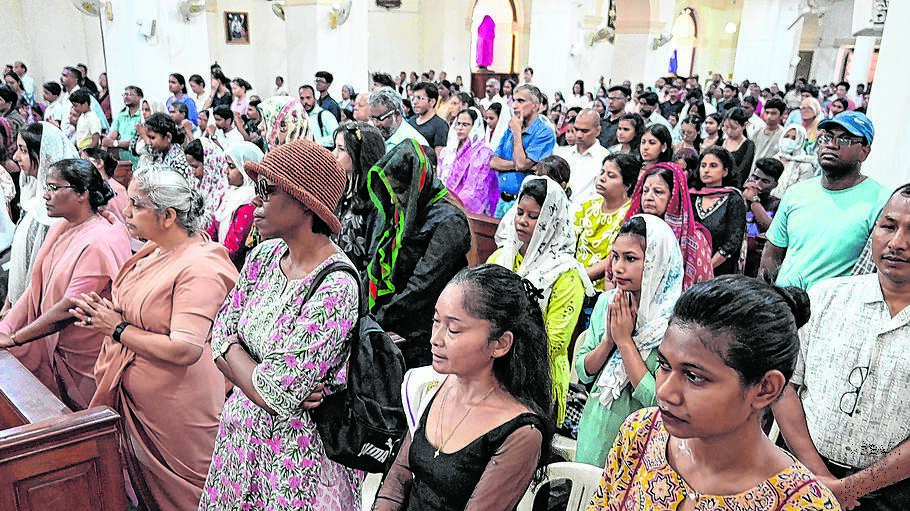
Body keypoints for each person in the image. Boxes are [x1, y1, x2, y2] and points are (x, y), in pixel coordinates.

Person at [198, 140, 361, 510]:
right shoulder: (265, 255)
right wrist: (245, 363)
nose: (256, 201)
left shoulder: (335, 285)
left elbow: (275, 395)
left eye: (267, 191)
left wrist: (234, 354)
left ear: (306, 202)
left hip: (290, 460)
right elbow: (220, 329)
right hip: (241, 442)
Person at [586, 275, 840, 510]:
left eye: (694, 376)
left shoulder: (804, 504)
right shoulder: (640, 434)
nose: (664, 392)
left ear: (765, 389)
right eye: (664, 365)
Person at [66, 164, 236, 511]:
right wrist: (105, 314)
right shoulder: (154, 250)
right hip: (141, 401)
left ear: (168, 216)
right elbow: (138, 310)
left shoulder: (199, 265)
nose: (125, 212)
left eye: (137, 206)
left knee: (189, 500)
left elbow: (185, 348)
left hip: (177, 410)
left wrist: (116, 328)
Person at [772, 185, 910, 510]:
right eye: (888, 226)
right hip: (802, 473)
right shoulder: (826, 297)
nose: (897, 243)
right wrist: (823, 479)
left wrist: (852, 487)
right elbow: (784, 386)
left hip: (892, 496)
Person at [374, 264, 554, 511]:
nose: (435, 339)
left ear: (500, 344)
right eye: (436, 321)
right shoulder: (430, 385)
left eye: (453, 329)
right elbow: (399, 475)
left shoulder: (522, 433)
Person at [0, 158, 129, 409]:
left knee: (80, 426)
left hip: (84, 356)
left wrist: (16, 338)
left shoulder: (98, 240)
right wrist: (6, 327)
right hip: (56, 342)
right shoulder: (64, 226)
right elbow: (36, 285)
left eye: (54, 188)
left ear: (82, 193)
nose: (46, 196)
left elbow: (70, 307)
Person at [575, 214, 684, 468]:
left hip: (639, 445)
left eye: (631, 258)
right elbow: (583, 371)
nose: (617, 268)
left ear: (657, 263)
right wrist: (609, 342)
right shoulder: (609, 303)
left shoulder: (673, 326)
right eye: (615, 257)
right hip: (594, 424)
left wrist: (625, 343)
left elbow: (658, 400)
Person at [489, 176, 593, 426]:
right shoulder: (500, 258)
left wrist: (500, 344)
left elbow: (555, 340)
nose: (522, 221)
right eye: (520, 212)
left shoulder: (566, 274)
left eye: (533, 216)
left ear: (550, 221)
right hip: (491, 369)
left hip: (536, 379)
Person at [367, 140, 471, 369]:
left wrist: (377, 319)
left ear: (418, 186)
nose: (394, 199)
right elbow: (375, 262)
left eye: (401, 191)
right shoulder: (402, 215)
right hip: (395, 319)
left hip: (427, 330)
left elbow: (422, 285)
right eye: (391, 191)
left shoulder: (449, 222)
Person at [761, 112, 887, 289]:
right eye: (827, 137)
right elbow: (773, 252)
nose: (831, 145)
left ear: (864, 152)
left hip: (831, 310)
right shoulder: (796, 193)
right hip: (784, 304)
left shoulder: (881, 201)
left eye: (844, 140)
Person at [7, 122, 79, 309]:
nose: (16, 157)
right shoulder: (32, 197)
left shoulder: (53, 212)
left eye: (23, 150)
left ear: (44, 154)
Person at [622, 163, 714, 290]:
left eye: (658, 192)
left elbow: (700, 289)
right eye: (645, 191)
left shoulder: (693, 239)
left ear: (674, 197)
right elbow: (612, 271)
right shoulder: (632, 229)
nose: (648, 197)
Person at [574, 153, 639, 291]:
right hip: (574, 275)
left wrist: (581, 277)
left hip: (606, 285)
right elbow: (570, 241)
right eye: (602, 172)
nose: (602, 178)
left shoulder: (632, 214)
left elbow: (615, 257)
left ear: (627, 185)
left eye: (611, 176)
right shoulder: (588, 205)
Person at [489, 84, 556, 218]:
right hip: (502, 201)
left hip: (525, 207)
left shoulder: (544, 133)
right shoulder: (511, 128)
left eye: (521, 101)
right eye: (514, 100)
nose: (514, 106)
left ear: (535, 106)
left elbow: (521, 164)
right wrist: (521, 166)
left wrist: (517, 133)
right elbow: (493, 162)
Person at [331, 121, 385, 271]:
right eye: (335, 147)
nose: (333, 154)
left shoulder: (376, 201)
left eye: (341, 149)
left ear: (359, 154)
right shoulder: (339, 190)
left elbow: (375, 258)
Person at [690, 146, 748, 275]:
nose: (706, 170)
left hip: (720, 272)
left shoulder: (733, 199)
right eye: (703, 165)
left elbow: (732, 243)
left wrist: (706, 268)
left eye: (713, 165)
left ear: (725, 171)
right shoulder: (691, 196)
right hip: (689, 269)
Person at [208, 141, 264, 269]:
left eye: (231, 166)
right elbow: (214, 227)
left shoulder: (250, 202)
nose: (226, 171)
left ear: (246, 171)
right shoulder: (229, 195)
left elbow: (233, 247)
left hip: (234, 267)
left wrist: (212, 259)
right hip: (219, 258)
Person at [438, 109, 498, 216]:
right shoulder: (450, 150)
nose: (460, 128)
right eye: (458, 124)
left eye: (465, 125)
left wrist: (453, 202)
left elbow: (475, 189)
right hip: (444, 201)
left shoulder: (482, 152)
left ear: (475, 127)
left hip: (464, 207)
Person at [555, 109, 609, 208]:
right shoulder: (563, 155)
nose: (579, 135)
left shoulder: (605, 159)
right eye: (576, 129)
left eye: (585, 131)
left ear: (598, 131)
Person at [743, 158, 784, 277]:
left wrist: (754, 202)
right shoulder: (738, 198)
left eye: (765, 181)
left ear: (775, 185)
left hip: (757, 265)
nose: (757, 184)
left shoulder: (778, 205)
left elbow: (771, 230)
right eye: (755, 178)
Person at [133, 113, 193, 180]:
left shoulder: (179, 162)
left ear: (168, 137)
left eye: (152, 138)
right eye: (148, 137)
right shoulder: (160, 155)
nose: (149, 142)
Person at [369, 87, 428, 152]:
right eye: (373, 118)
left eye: (380, 118)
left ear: (397, 115)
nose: (376, 124)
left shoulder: (416, 146)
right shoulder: (379, 136)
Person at [184, 138, 229, 220]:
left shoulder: (222, 190)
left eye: (195, 166)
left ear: (208, 163)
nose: (192, 172)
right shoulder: (197, 183)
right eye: (190, 166)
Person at [81, 147, 129, 222]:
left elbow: (123, 218)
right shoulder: (91, 187)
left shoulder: (116, 188)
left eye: (84, 161)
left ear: (99, 163)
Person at [771, 124, 819, 198]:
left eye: (794, 138)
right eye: (786, 136)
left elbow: (802, 193)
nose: (788, 140)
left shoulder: (805, 165)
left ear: (800, 141)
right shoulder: (773, 159)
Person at [102, 86, 144, 167]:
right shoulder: (121, 115)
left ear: (139, 97)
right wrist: (117, 143)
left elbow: (131, 143)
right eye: (124, 95)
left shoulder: (142, 115)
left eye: (130, 94)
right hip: (122, 158)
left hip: (138, 157)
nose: (126, 97)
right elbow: (109, 138)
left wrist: (116, 143)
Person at [408, 82, 450, 157]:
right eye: (413, 98)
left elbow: (438, 156)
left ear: (432, 102)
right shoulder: (411, 121)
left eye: (419, 98)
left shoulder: (440, 126)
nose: (415, 102)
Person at [750, 97, 786, 175]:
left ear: (781, 115)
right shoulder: (757, 132)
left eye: (773, 113)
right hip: (753, 172)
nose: (769, 116)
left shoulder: (784, 135)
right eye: (767, 112)